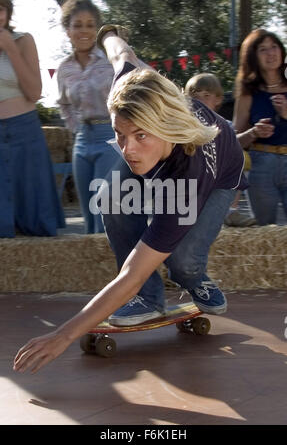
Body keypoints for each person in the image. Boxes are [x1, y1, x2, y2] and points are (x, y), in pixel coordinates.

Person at [13, 24, 248, 374]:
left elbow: (131, 274)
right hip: (169, 152)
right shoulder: (131, 84)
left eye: (140, 135)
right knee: (111, 198)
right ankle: (149, 300)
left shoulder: (190, 173)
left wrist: (62, 336)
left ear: (164, 127)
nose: (129, 149)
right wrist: (109, 33)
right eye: (120, 134)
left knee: (181, 259)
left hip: (220, 177)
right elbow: (121, 52)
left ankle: (196, 278)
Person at [0, 0, 64, 237]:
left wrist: (10, 48)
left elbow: (34, 92)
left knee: (35, 218)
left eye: (1, 8)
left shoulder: (23, 40)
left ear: (8, 10)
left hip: (25, 131)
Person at [57, 0, 121, 233]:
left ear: (98, 29)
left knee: (104, 210)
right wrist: (76, 127)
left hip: (111, 137)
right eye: (77, 25)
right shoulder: (64, 69)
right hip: (82, 141)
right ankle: (96, 270)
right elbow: (63, 104)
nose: (84, 31)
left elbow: (130, 95)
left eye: (90, 25)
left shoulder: (111, 60)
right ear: (67, 30)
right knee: (88, 218)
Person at [185, 72, 256, 227]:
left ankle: (231, 210)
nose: (199, 99)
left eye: (205, 95)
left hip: (217, 175)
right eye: (193, 95)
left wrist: (252, 133)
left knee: (242, 158)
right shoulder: (184, 125)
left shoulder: (225, 125)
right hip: (193, 177)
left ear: (218, 99)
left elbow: (234, 144)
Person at [233, 28, 287, 225]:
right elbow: (234, 141)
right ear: (253, 57)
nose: (271, 53)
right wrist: (254, 132)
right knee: (267, 232)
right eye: (263, 49)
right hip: (261, 165)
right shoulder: (248, 92)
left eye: (274, 47)